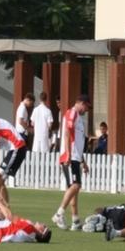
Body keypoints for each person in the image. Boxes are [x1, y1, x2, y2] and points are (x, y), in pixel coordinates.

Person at [53, 94, 91, 230]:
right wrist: (68, 153)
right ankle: (59, 213)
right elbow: (67, 133)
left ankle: (75, 220)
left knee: (74, 189)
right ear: (80, 103)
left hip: (76, 157)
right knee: (76, 186)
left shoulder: (79, 118)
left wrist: (83, 162)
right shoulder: (72, 113)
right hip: (69, 157)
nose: (86, 109)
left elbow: (78, 143)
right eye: (86, 106)